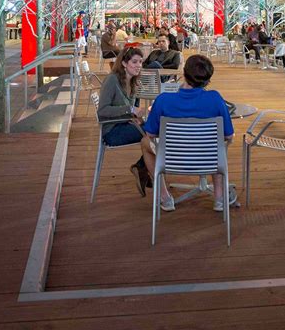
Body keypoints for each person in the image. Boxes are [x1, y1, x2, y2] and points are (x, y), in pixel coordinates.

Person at [141, 54, 235, 212]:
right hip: (209, 159)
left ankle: (164, 197)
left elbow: (150, 134)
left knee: (144, 143)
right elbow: (228, 136)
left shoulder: (163, 100)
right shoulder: (215, 99)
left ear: (183, 74)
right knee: (218, 143)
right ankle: (220, 198)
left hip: (171, 159)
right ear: (207, 79)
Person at [97, 47, 150, 197]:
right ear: (125, 63)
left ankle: (145, 168)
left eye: (140, 62)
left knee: (155, 130)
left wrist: (135, 117)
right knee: (156, 130)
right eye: (134, 62)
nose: (138, 65)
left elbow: (130, 111)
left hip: (124, 124)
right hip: (112, 131)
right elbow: (102, 111)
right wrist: (130, 110)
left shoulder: (132, 81)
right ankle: (143, 168)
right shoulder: (112, 80)